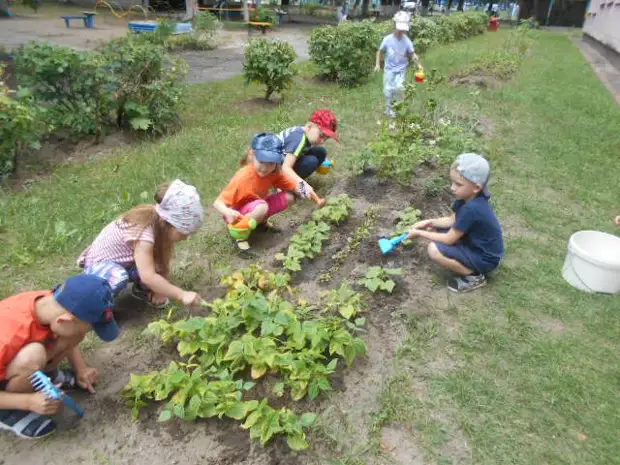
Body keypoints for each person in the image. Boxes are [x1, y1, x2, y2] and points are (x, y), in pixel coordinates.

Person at [0, 274, 118, 439]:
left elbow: (70, 332)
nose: (83, 334)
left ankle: (42, 376)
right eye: (86, 329)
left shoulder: (55, 302)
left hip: (14, 359)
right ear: (64, 321)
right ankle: (9, 411)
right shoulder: (5, 338)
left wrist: (80, 368)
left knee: (70, 336)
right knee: (32, 356)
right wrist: (28, 401)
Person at [77, 179, 204, 309]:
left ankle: (143, 288)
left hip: (126, 261)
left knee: (153, 265)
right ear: (168, 223)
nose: (186, 237)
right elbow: (148, 276)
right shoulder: (143, 233)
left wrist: (161, 287)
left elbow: (162, 259)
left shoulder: (159, 222)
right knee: (119, 276)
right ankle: (96, 307)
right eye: (184, 232)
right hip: (99, 267)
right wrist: (181, 294)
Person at [407, 153, 504, 293]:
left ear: (476, 187)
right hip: (477, 246)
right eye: (452, 182)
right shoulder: (469, 198)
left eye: (458, 184)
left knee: (433, 250)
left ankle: (474, 277)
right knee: (435, 230)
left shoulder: (472, 209)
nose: (452, 188)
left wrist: (420, 233)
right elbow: (451, 220)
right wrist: (428, 223)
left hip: (486, 258)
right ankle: (467, 263)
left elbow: (448, 239)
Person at [213, 133, 313, 252]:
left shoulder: (274, 173)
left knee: (289, 197)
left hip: (257, 206)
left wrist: (304, 189)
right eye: (261, 161)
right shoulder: (243, 177)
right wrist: (228, 212)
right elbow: (218, 202)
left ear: (277, 162)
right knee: (262, 206)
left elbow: (292, 184)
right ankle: (239, 234)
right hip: (237, 215)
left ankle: (258, 223)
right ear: (252, 155)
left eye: (270, 163)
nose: (265, 168)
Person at [375, 11, 422, 118]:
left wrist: (418, 65)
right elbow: (380, 51)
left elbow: (412, 54)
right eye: (399, 29)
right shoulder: (387, 39)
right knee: (388, 89)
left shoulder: (407, 41)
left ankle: (396, 109)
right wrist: (378, 64)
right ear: (394, 26)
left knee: (399, 88)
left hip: (401, 69)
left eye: (403, 30)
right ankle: (388, 110)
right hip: (389, 69)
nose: (401, 32)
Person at [277, 109, 340, 187]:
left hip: (284, 159)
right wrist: (303, 185)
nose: (322, 141)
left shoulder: (305, 133)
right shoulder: (299, 139)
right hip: (274, 166)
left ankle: (292, 179)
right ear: (309, 127)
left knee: (321, 151)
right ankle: (287, 184)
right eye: (321, 136)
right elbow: (285, 167)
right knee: (311, 161)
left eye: (326, 138)